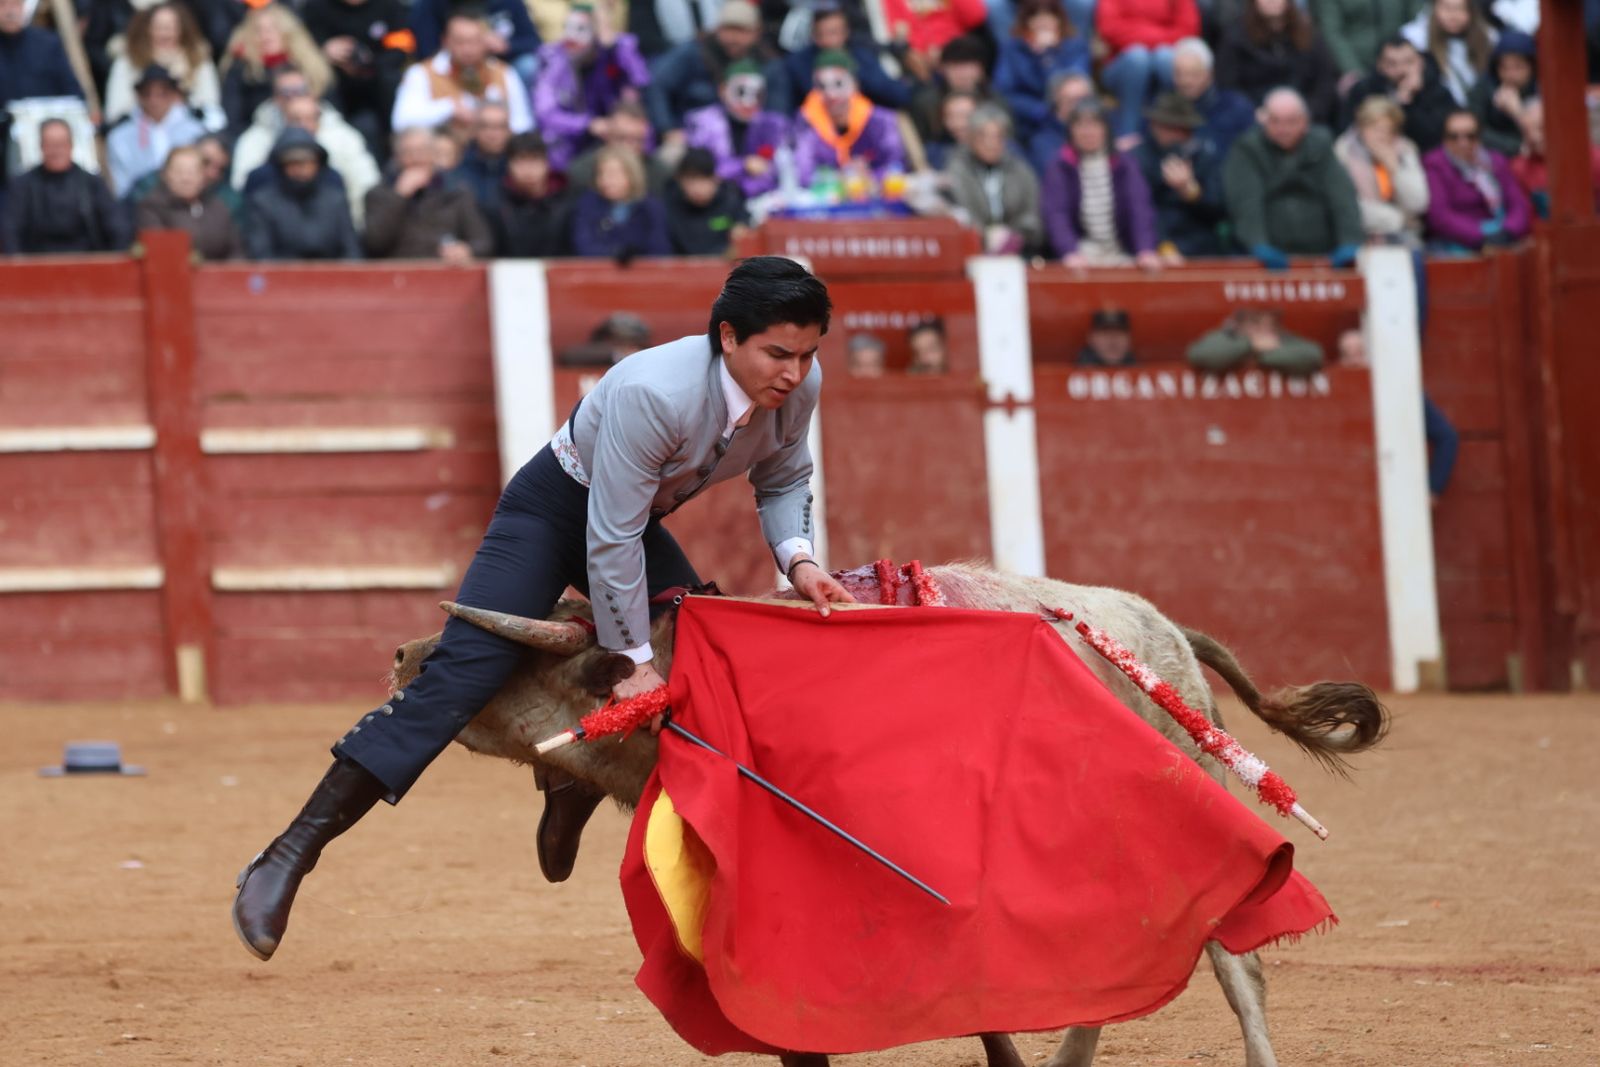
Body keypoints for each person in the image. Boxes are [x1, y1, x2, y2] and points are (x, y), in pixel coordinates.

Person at [230, 256, 851, 962]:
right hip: (553, 510)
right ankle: (290, 852)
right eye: (778, 353)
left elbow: (784, 476)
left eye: (807, 354)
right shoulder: (654, 389)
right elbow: (609, 536)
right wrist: (632, 661)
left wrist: (799, 560)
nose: (794, 373)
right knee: (462, 677)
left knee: (704, 655)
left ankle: (571, 777)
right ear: (728, 337)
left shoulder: (799, 385)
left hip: (629, 519)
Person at [1222, 88, 1363, 269]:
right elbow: (1246, 202)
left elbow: (1342, 197)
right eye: (1275, 121)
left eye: (1291, 122)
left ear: (1305, 122)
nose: (1283, 129)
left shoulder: (1321, 146)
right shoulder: (1248, 150)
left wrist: (1350, 242)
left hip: (1323, 254)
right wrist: (1258, 244)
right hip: (1267, 256)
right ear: (1263, 121)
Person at [230, 67, 379, 224]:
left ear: (314, 93)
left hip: (333, 228)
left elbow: (366, 185)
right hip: (276, 229)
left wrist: (353, 229)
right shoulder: (255, 139)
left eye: (301, 90)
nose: (294, 97)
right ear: (275, 97)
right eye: (286, 92)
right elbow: (242, 189)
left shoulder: (344, 136)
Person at [645, 0, 790, 143]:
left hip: (752, 142)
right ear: (717, 29)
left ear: (757, 32)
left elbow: (777, 114)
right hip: (694, 140)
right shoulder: (695, 52)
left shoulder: (770, 63)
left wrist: (766, 146)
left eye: (741, 31)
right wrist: (667, 129)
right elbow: (657, 84)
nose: (733, 38)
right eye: (727, 29)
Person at [532, 1, 651, 173]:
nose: (572, 38)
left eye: (582, 29)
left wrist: (613, 47)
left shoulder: (617, 49)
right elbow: (545, 114)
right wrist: (587, 124)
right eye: (568, 28)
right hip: (575, 142)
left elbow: (641, 80)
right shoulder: (554, 60)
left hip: (618, 129)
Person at [1041, 100, 1160, 268]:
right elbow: (1056, 214)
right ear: (1071, 131)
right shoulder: (1059, 167)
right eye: (1080, 126)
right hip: (1081, 254)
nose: (1088, 132)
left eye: (1094, 125)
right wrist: (1069, 251)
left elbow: (1139, 209)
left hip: (1122, 251)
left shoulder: (1125, 164)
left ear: (1106, 129)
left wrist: (1145, 249)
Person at [300, 0, 414, 154]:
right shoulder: (316, 7)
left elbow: (402, 46)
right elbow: (299, 44)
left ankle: (397, 139)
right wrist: (323, 48)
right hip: (337, 83)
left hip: (377, 81)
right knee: (320, 80)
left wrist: (370, 62)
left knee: (390, 79)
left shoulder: (389, 5)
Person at [365, 126, 495, 260]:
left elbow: (483, 242)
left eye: (422, 151)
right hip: (396, 273)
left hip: (444, 273)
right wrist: (399, 196)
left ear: (433, 155)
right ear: (397, 158)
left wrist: (466, 250)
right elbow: (375, 243)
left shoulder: (456, 192)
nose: (416, 158)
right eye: (408, 152)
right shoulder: (379, 194)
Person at [392, 13, 533, 135]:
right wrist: (449, 109)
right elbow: (401, 122)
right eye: (460, 42)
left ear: (486, 41)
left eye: (474, 41)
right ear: (445, 41)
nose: (468, 50)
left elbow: (522, 124)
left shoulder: (503, 72)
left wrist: (492, 126)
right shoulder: (421, 73)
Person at [3, 119, 128, 254]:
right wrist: (19, 267)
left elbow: (117, 227)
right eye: (50, 145)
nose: (56, 151)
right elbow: (9, 230)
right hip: (36, 265)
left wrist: (111, 266)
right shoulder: (22, 185)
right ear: (41, 147)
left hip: (87, 264)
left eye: (61, 144)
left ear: (71, 145)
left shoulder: (93, 184)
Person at [244, 125, 363, 259]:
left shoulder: (335, 200)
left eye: (309, 162)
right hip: (282, 277)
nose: (302, 170)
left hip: (333, 277)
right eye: (294, 163)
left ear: (318, 164)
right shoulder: (262, 203)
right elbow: (261, 255)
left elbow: (352, 252)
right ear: (281, 166)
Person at [793, 50, 906, 186]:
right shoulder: (807, 121)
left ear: (855, 85)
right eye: (822, 87)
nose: (831, 94)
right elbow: (802, 173)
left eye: (839, 84)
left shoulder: (880, 121)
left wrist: (866, 178)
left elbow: (895, 165)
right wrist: (842, 177)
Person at [944, 104, 1046, 255]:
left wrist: (1015, 236)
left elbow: (1032, 210)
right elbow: (959, 210)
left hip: (1019, 249)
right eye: (983, 136)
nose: (990, 143)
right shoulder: (957, 168)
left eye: (997, 136)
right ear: (971, 138)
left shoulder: (1019, 169)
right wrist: (985, 235)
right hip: (972, 248)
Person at [1422, 107, 1530, 250]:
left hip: (1503, 235)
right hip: (1459, 242)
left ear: (1479, 137)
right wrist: (1481, 236)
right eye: (1454, 136)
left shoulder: (1496, 161)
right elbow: (1440, 217)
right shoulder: (1434, 163)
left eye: (1470, 136)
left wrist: (1508, 231)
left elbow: (1519, 205)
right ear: (1444, 139)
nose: (1463, 142)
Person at [1133, 92, 1225, 258]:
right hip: (1152, 246)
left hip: (1201, 247)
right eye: (1171, 128)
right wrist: (1163, 245)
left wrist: (1191, 191)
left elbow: (1220, 209)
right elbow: (1139, 210)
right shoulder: (1138, 159)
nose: (1179, 135)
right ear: (1155, 125)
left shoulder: (1204, 155)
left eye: (1185, 129)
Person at [1215, 0, 1338, 125]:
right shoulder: (1236, 37)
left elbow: (1325, 80)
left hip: (1306, 120)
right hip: (1254, 120)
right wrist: (1253, 113)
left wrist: (1308, 112)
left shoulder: (1308, 34)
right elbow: (1227, 85)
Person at [219, 4, 336, 135]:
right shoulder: (241, 69)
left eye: (273, 29)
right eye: (258, 31)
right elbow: (233, 119)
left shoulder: (311, 66)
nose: (266, 36)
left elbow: (333, 109)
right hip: (261, 136)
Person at [105, 2, 224, 129]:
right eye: (158, 27)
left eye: (170, 27)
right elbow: (116, 112)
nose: (164, 33)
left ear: (182, 31)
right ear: (147, 30)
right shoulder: (127, 62)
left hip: (188, 135)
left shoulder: (198, 61)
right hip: (139, 134)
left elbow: (211, 109)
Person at [683, 60, 792, 199]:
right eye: (740, 92)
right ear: (723, 90)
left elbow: (781, 171)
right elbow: (702, 171)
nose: (748, 102)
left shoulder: (773, 125)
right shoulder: (702, 123)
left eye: (756, 93)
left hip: (762, 199)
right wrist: (743, 165)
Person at [781, 0, 913, 113]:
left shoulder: (860, 56)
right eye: (822, 34)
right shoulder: (799, 64)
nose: (828, 40)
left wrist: (855, 73)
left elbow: (898, 95)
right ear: (814, 37)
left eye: (834, 33)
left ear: (846, 33)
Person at [1095, 0, 1199, 138]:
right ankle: (1129, 135)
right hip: (1120, 64)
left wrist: (1146, 41)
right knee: (1137, 58)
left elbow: (1188, 29)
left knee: (1165, 57)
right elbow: (1109, 28)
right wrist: (1157, 39)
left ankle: (1171, 129)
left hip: (1162, 60)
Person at [1335, 95, 1429, 246]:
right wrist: (1397, 219)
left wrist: (1396, 169)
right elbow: (1348, 206)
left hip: (1406, 238)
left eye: (1387, 130)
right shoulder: (1344, 152)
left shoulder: (1404, 150)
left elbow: (1418, 203)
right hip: (1361, 237)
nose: (1381, 136)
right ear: (1361, 128)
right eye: (1375, 129)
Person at [993, 0, 1091, 143]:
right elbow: (1004, 91)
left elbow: (1076, 85)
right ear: (1026, 23)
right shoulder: (1013, 49)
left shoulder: (1075, 46)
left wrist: (1047, 57)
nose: (1043, 23)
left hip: (1071, 116)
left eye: (1049, 17)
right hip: (1029, 120)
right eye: (1036, 18)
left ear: (1059, 20)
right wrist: (1039, 111)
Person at [106, 65, 207, 198]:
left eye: (162, 94)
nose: (154, 100)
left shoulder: (196, 131)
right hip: (141, 203)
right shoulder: (119, 137)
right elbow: (123, 187)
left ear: (173, 95)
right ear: (139, 96)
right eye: (147, 94)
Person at [1345, 35, 1456, 153]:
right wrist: (1397, 103)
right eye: (1392, 64)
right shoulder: (1364, 91)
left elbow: (1437, 138)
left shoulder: (1436, 90)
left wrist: (1409, 104)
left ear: (1420, 62)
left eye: (1408, 62)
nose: (1401, 70)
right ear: (1380, 65)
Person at [135, 144, 243, 259]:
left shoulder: (218, 207)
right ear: (165, 174)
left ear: (203, 176)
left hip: (217, 275)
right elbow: (159, 252)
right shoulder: (152, 207)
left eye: (192, 172)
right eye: (178, 172)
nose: (186, 178)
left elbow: (236, 251)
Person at [569, 143, 673, 257]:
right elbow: (584, 247)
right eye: (601, 174)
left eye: (613, 174)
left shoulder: (651, 207)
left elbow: (660, 250)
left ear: (632, 174)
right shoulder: (587, 204)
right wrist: (616, 253)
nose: (605, 180)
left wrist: (633, 257)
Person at [410, 0, 541, 83]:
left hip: (501, 64)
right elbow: (426, 50)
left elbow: (534, 42)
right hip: (452, 64)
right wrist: (459, 46)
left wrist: (507, 46)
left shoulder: (509, 3)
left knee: (529, 65)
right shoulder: (432, 4)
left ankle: (527, 124)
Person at [908, 34, 1004, 147]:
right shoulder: (925, 103)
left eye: (969, 66)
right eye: (955, 66)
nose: (963, 74)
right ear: (942, 69)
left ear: (982, 71)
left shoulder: (994, 102)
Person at [1510, 99, 1600, 215]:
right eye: (1526, 132)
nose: (1534, 138)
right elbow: (1523, 216)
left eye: (1541, 129)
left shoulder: (1593, 158)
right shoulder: (1519, 168)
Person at [488, 131, 572, 255]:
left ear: (546, 163)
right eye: (521, 161)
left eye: (534, 160)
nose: (528, 170)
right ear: (508, 165)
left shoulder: (567, 200)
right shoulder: (495, 204)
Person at [1168, 37, 1254, 157]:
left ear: (1209, 74)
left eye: (1193, 74)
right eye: (1179, 74)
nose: (1185, 81)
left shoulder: (1236, 108)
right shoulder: (1162, 109)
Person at [1400, 0, 1496, 107]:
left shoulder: (1489, 37)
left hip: (1477, 108)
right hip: (1434, 107)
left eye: (1460, 8)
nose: (1453, 16)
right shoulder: (1414, 39)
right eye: (1447, 8)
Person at [564, 99, 672, 190]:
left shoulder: (658, 173)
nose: (629, 147)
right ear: (607, 136)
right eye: (622, 138)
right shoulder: (583, 173)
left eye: (638, 139)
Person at [663, 146, 749, 254]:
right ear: (680, 180)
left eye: (704, 179)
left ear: (716, 179)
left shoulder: (732, 202)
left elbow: (745, 223)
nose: (697, 188)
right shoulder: (667, 208)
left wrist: (741, 231)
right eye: (691, 180)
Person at [1187, 308, 1324, 374]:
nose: (1263, 329)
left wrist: (1263, 355)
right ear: (1240, 324)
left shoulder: (1282, 339)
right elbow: (1200, 355)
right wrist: (1249, 346)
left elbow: (1313, 355)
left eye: (1269, 324)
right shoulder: (1225, 336)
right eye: (1255, 323)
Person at [0, 0, 82, 111]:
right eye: (2, 5)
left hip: (44, 121)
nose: (10, 12)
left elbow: (72, 91)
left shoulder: (47, 44)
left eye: (15, 4)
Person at [1468, 30, 1536, 157]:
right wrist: (1517, 147)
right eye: (1504, 68)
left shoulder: (1541, 88)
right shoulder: (1485, 87)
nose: (1510, 75)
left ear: (1532, 67)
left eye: (1518, 67)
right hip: (1496, 158)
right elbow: (1474, 128)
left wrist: (1518, 113)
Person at [1309, 0, 1417, 79]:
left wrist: (1407, 63)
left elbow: (1416, 19)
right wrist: (1354, 72)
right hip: (1352, 68)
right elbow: (1331, 32)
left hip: (1402, 63)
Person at [1027, 70, 1094, 175]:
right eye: (1072, 101)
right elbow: (1054, 178)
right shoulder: (1043, 142)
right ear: (1057, 104)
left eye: (1085, 100)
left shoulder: (1108, 128)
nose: (1080, 106)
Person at [451, 100, 514, 211]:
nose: (492, 134)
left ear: (509, 131)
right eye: (485, 126)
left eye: (499, 127)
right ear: (474, 130)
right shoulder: (458, 173)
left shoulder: (519, 172)